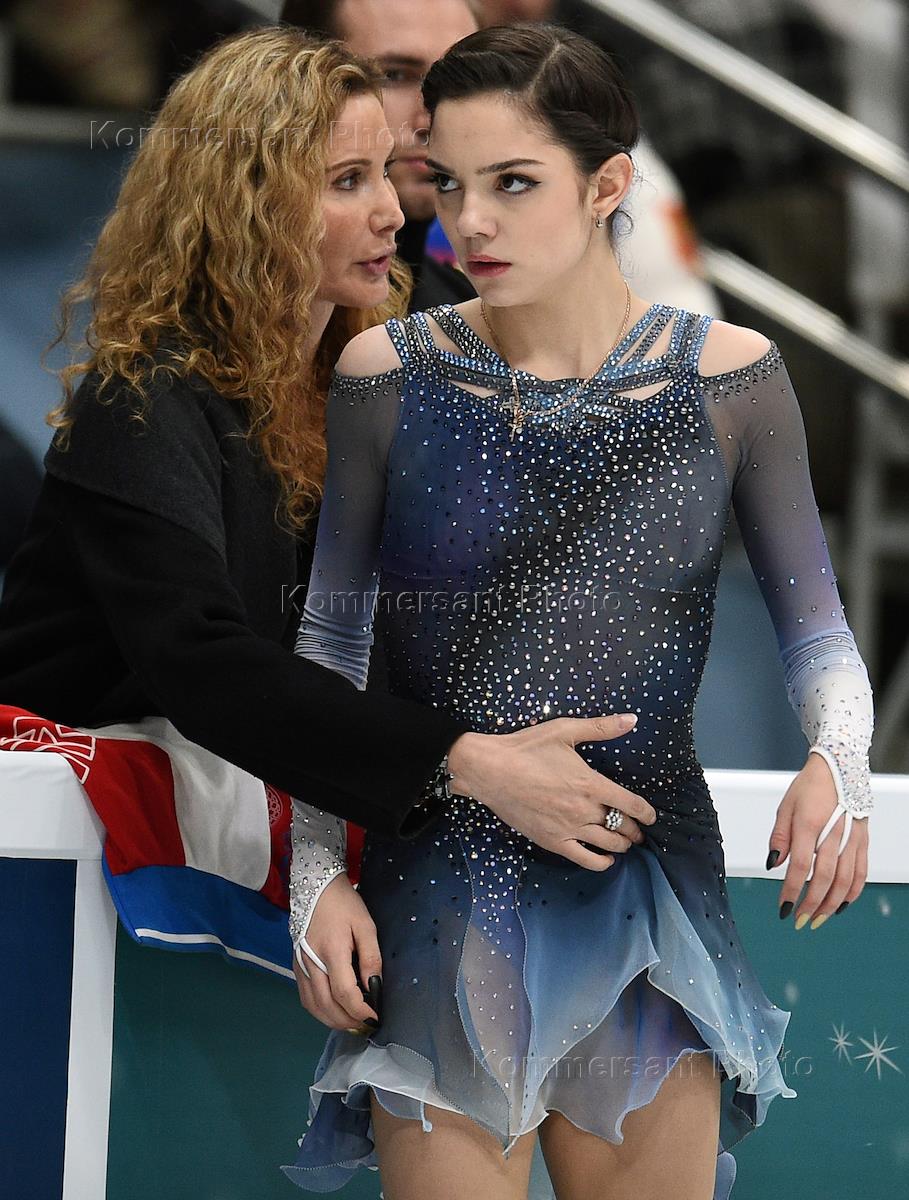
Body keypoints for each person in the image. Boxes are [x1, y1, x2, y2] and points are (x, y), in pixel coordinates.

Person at [282, 23, 874, 1200]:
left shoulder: (732, 378)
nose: (470, 223)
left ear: (608, 185)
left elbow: (819, 633)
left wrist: (839, 759)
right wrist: (312, 874)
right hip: (444, 889)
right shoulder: (385, 379)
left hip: (648, 887)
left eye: (513, 183)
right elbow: (328, 651)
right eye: (449, 184)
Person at [0, 28, 650, 931]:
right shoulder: (143, 397)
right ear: (246, 204)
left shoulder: (376, 389)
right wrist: (463, 764)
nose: (390, 211)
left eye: (385, 172)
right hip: (53, 855)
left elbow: (383, 654)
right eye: (347, 181)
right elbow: (205, 665)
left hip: (240, 811)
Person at [281, 0, 480, 309]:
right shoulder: (211, 324)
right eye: (395, 75)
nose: (432, 117)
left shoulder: (473, 314)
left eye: (461, 79)